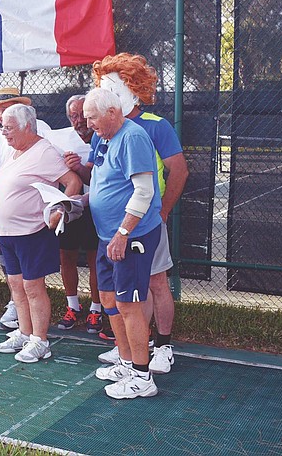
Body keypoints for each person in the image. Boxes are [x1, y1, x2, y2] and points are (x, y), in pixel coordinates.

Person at [68, 53, 188, 374]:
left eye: (114, 85)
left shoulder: (153, 127)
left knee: (156, 282)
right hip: (114, 228)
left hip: (142, 224)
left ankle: (162, 346)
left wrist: (162, 211)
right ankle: (135, 350)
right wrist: (77, 191)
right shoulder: (102, 130)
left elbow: (178, 171)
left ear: (133, 87)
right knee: (125, 294)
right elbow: (97, 173)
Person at [81, 86, 163, 399]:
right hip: (107, 236)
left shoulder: (133, 137)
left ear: (113, 112)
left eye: (92, 117)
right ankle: (127, 363)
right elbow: (103, 184)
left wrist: (123, 233)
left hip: (130, 237)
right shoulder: (103, 136)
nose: (89, 124)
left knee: (129, 304)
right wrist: (75, 203)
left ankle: (142, 377)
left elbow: (144, 191)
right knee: (109, 300)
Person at [0, 104, 81, 363]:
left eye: (9, 127)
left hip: (32, 231)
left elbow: (73, 182)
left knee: (33, 287)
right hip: (7, 233)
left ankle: (40, 341)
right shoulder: (15, 151)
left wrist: (59, 209)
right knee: (16, 285)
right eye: (3, 127)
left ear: (27, 126)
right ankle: (25, 333)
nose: (4, 132)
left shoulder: (44, 152)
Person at [0, 87, 40, 330]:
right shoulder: (3, 136)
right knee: (14, 272)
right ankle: (20, 317)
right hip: (6, 216)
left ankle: (36, 332)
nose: (0, 114)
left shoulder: (36, 131)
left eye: (3, 109)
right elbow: (2, 174)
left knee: (33, 281)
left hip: (31, 219)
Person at [57, 94, 102, 333]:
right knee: (66, 256)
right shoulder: (62, 140)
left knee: (95, 259)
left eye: (82, 115)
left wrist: (78, 167)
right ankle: (73, 306)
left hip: (97, 208)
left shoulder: (104, 137)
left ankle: (96, 309)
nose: (79, 121)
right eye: (73, 116)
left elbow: (96, 178)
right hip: (70, 206)